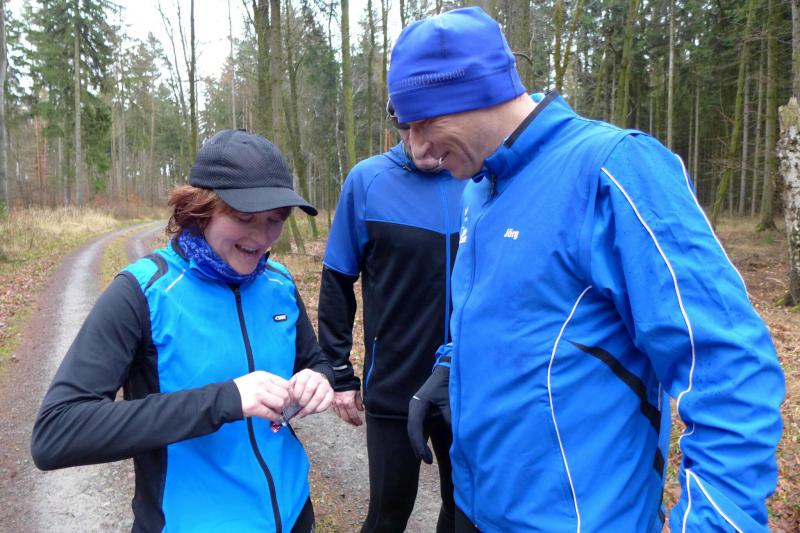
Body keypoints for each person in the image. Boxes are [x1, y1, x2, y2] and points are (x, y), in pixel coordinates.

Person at [391, 7, 785, 533]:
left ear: (475, 93)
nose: (417, 148)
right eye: (406, 127)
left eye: (424, 123)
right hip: (477, 510)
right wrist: (449, 367)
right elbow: (503, 313)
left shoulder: (614, 169)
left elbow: (727, 366)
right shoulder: (478, 192)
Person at [31, 129, 334, 532]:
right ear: (200, 210)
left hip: (293, 515)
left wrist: (318, 378)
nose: (261, 238)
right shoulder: (142, 292)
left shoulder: (278, 283)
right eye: (244, 218)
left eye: (275, 220)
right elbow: (57, 432)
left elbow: (314, 361)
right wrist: (226, 399)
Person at [317, 102, 465, 532]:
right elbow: (337, 279)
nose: (420, 142)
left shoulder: (475, 178)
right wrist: (339, 373)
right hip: (395, 382)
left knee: (463, 512)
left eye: (432, 127)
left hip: (465, 382)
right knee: (388, 516)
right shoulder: (368, 180)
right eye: (407, 127)